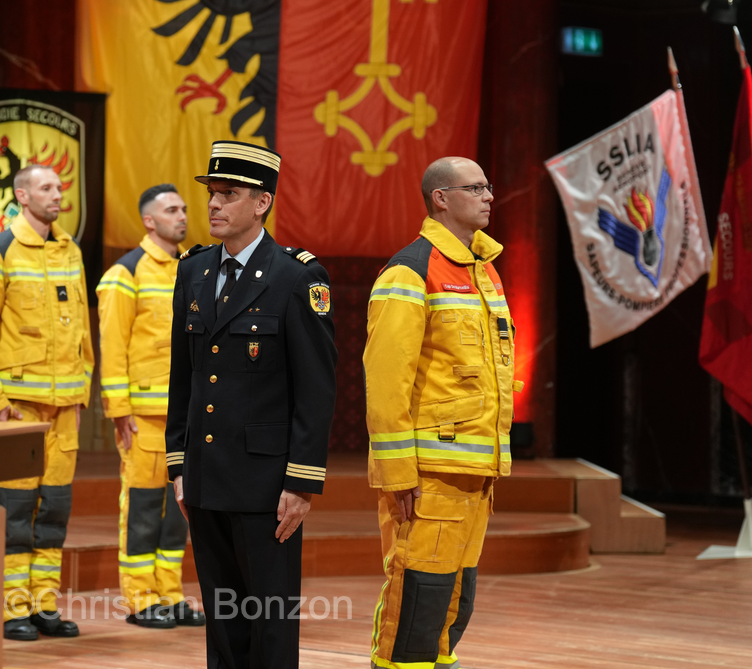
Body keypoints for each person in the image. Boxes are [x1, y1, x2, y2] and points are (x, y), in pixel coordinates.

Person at [166, 141, 337, 669]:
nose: (214, 204)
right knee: (223, 623)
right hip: (205, 476)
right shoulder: (193, 270)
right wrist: (179, 464)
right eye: (212, 194)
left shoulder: (297, 277)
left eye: (229, 194)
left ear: (262, 203)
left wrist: (301, 482)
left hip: (266, 485)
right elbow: (182, 377)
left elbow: (316, 389)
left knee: (270, 623)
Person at [364, 157, 519, 669]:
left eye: (488, 187)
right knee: (416, 603)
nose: (489, 196)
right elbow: (386, 381)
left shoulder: (484, 271)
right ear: (441, 198)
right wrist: (397, 474)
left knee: (454, 604)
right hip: (429, 475)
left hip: (475, 472)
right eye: (476, 188)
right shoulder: (409, 270)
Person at [0, 164, 94, 641]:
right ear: (22, 195)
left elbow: (82, 329)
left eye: (60, 187)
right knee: (15, 509)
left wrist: (81, 393)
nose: (57, 194)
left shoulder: (70, 250)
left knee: (54, 510)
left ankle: (44, 604)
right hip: (19, 406)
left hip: (64, 408)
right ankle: (10, 607)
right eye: (46, 187)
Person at [97, 184, 205, 628]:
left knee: (180, 509)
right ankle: (141, 598)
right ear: (148, 220)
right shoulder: (126, 273)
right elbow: (113, 346)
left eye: (183, 209)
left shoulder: (192, 269)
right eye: (171, 210)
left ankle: (170, 593)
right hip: (143, 417)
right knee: (143, 507)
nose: (182, 216)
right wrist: (119, 410)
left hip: (187, 416)